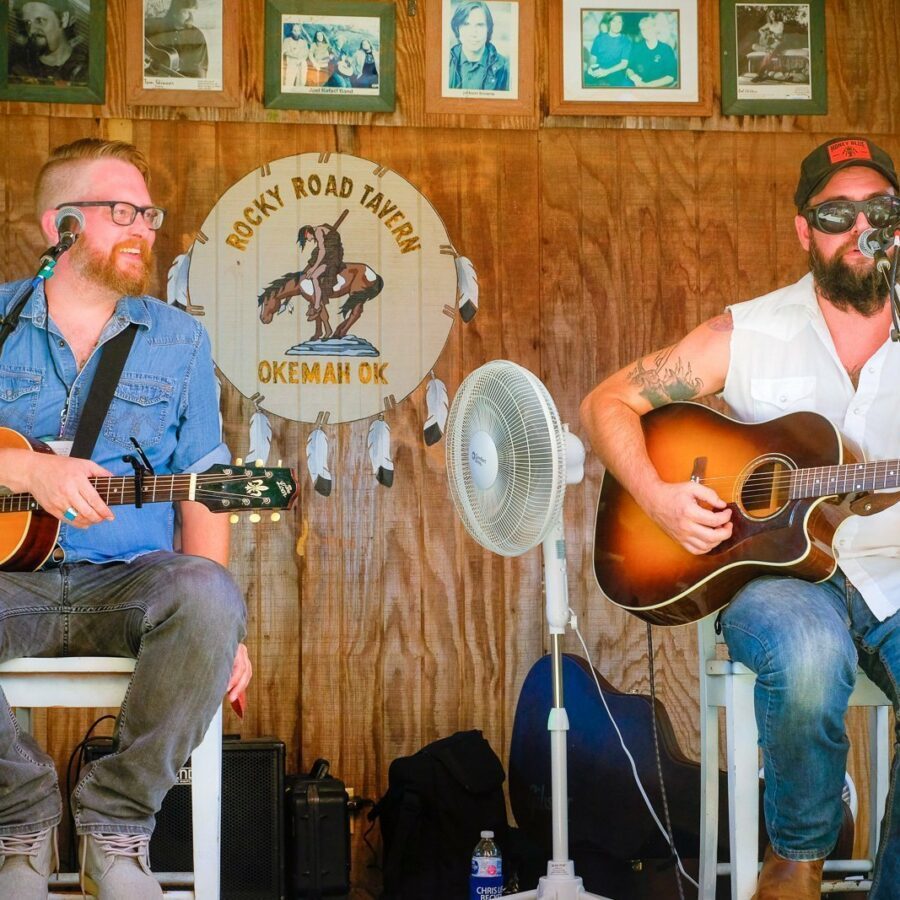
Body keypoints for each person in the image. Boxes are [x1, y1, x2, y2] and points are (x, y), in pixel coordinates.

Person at [580, 136, 900, 899]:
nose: (860, 228)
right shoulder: (746, 331)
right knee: (809, 650)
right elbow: (606, 404)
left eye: (879, 210)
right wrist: (659, 496)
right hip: (777, 579)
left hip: (892, 572)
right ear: (804, 229)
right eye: (836, 212)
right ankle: (797, 856)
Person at [0, 138, 251, 898]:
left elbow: (206, 488)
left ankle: (116, 824)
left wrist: (221, 627)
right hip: (12, 589)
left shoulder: (179, 342)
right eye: (121, 211)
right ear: (61, 227)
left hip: (131, 587)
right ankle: (22, 820)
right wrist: (27, 470)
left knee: (208, 596)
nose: (144, 227)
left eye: (147, 211)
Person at [8, 0, 88, 85]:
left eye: (40, 21)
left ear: (64, 19)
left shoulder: (87, 66)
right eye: (28, 23)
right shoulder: (20, 71)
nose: (31, 30)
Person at [447, 0, 509, 92]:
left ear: (488, 29)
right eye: (466, 24)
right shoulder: (444, 62)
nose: (473, 33)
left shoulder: (504, 67)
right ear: (457, 28)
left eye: (480, 25)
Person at [144, 0, 209, 79]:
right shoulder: (151, 26)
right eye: (186, 12)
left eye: (193, 12)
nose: (191, 17)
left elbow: (199, 75)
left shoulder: (197, 36)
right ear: (174, 12)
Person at [625, 14, 677, 88]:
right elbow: (629, 69)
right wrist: (636, 79)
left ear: (655, 29)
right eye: (643, 29)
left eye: (649, 28)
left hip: (659, 89)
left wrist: (647, 85)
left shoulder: (666, 49)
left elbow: (670, 77)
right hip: (639, 87)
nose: (646, 31)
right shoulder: (636, 48)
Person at [585, 12, 631, 88]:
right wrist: (591, 67)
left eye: (619, 22)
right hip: (598, 71)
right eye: (614, 21)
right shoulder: (599, 38)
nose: (617, 24)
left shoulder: (626, 41)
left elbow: (624, 64)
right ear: (609, 23)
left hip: (615, 74)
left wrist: (606, 72)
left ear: (622, 24)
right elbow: (593, 57)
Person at [282, 22, 309, 88]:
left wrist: (300, 60)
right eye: (294, 30)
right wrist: (294, 56)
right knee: (288, 83)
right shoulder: (287, 40)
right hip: (291, 64)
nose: (296, 32)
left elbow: (306, 53)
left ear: (300, 32)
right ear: (292, 31)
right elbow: (284, 51)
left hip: (301, 64)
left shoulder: (303, 42)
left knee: (301, 84)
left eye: (298, 30)